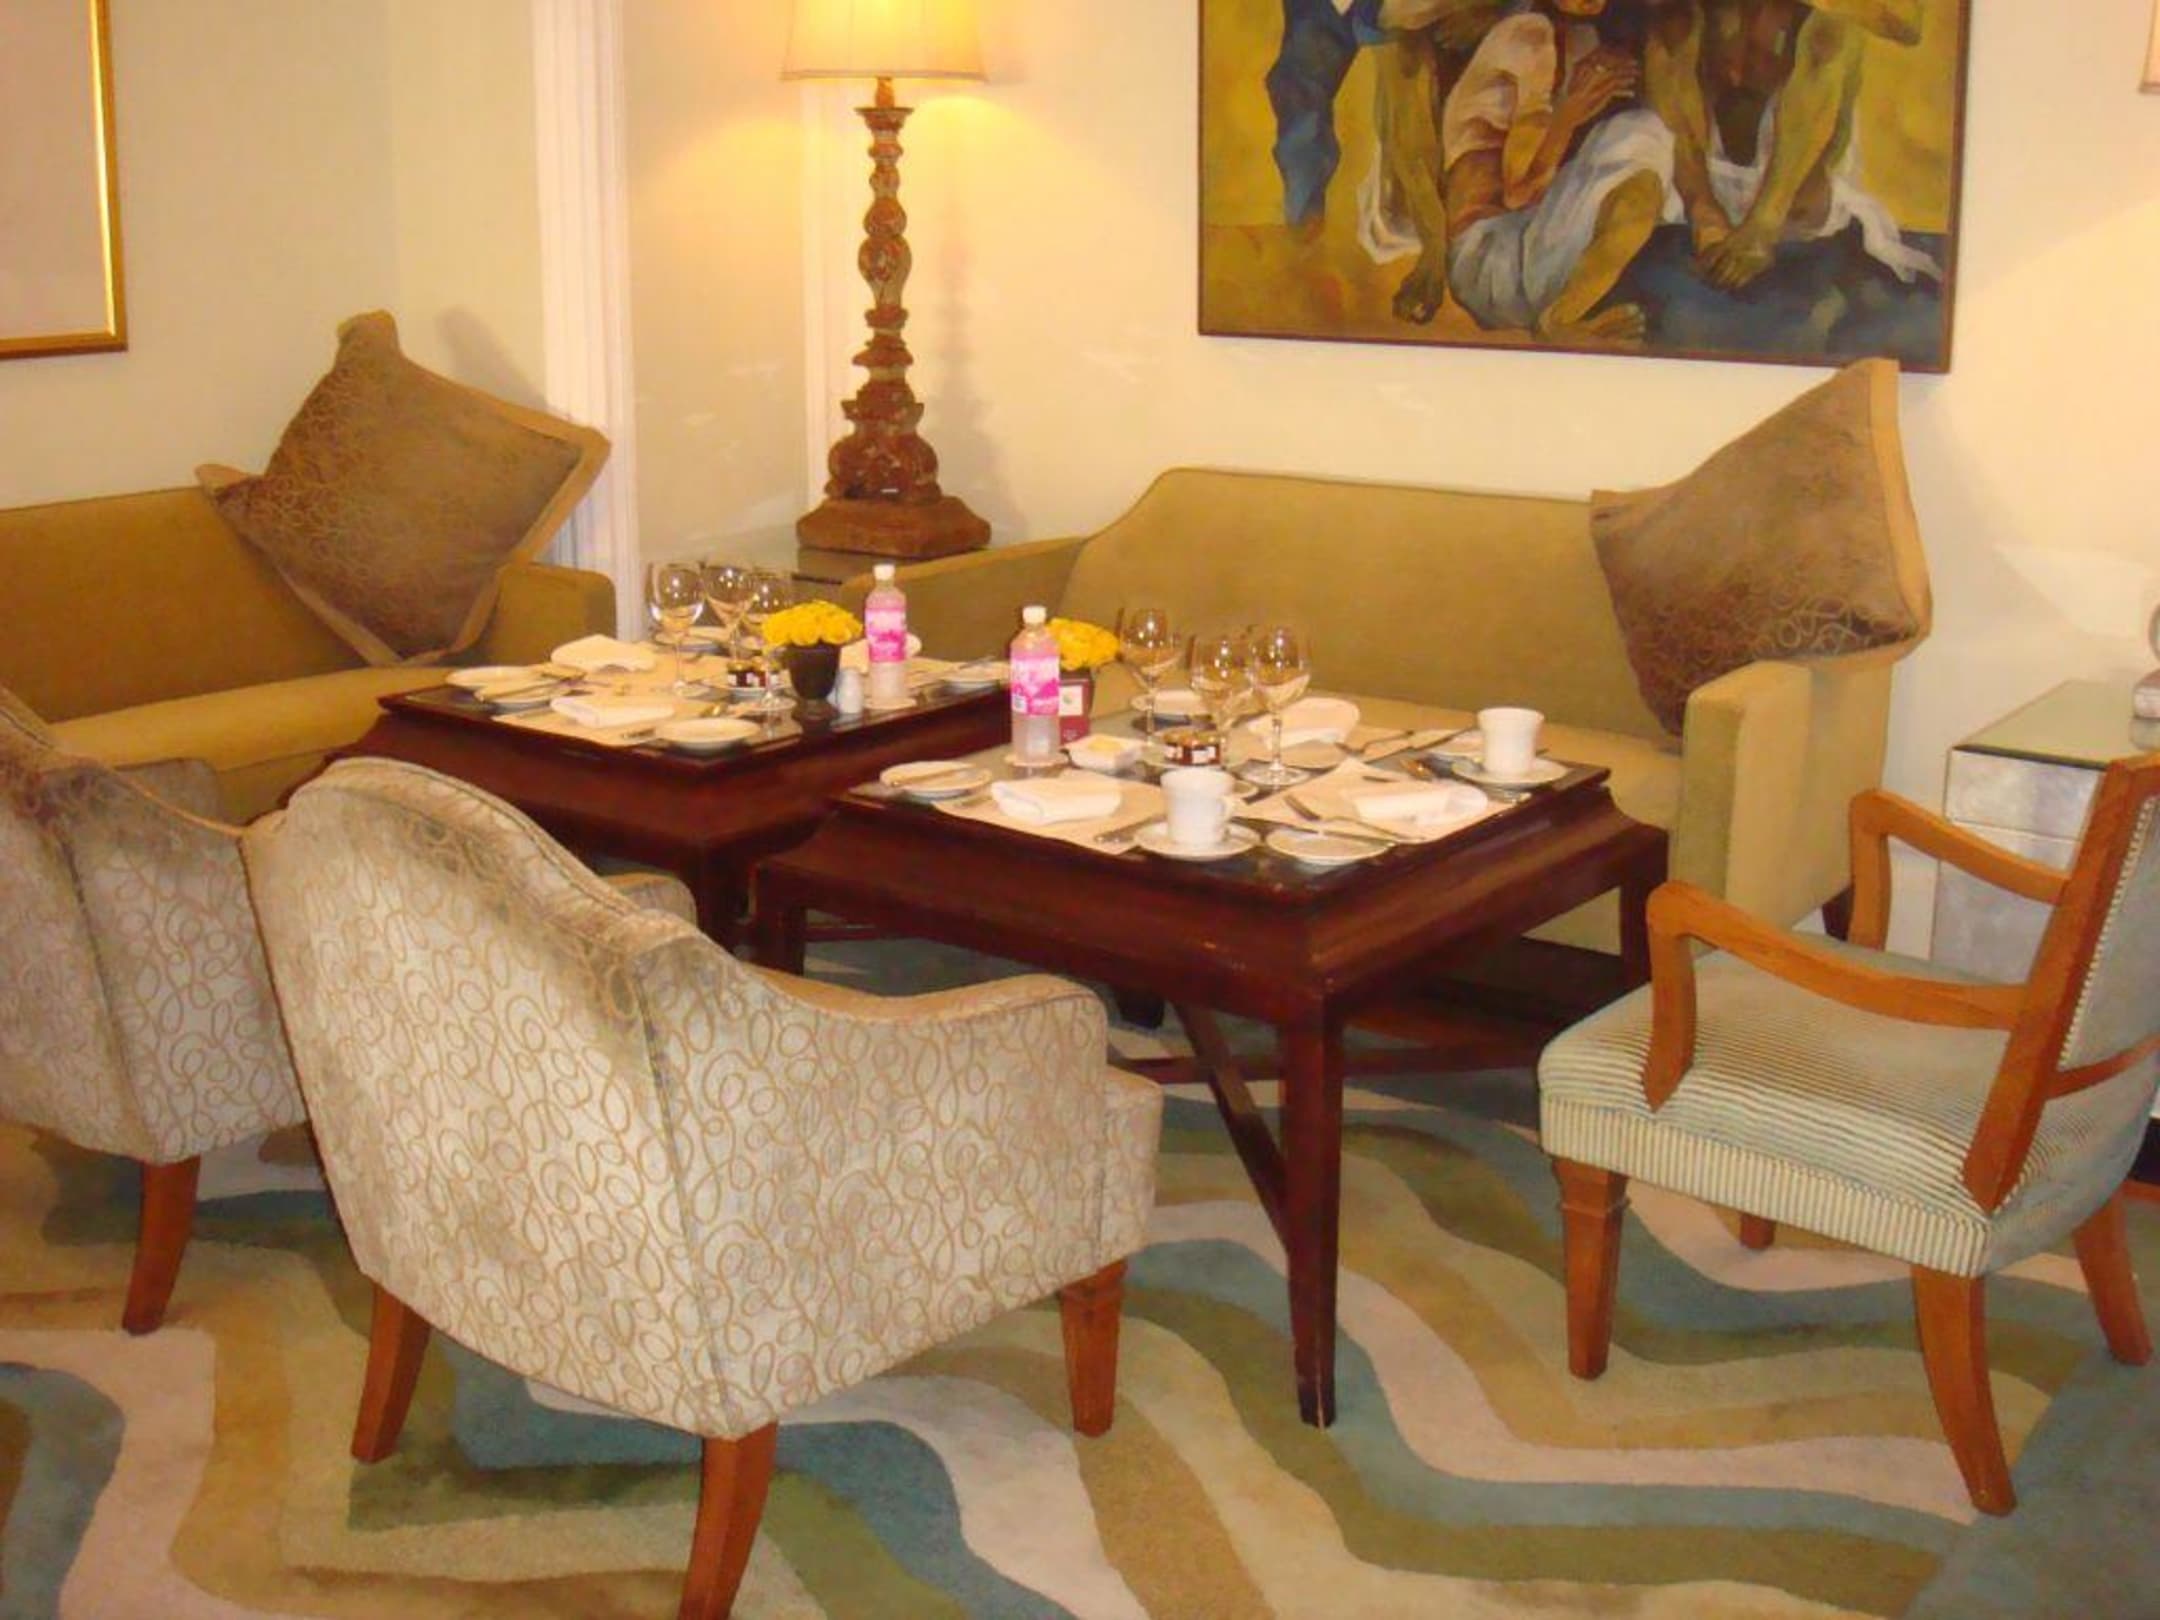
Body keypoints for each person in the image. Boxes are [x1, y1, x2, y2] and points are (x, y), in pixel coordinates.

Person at [1643, 0, 1935, 291]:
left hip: (1796, 192)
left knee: (1832, 30)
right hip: (1698, 170)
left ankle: (1763, 224)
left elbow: (1907, 23)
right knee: (1673, 20)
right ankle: (1705, 213)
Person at [1439, 0, 1675, 344]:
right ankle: (1560, 320)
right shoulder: (1527, 35)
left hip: (1519, 250)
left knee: (1643, 144)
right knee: (1640, 132)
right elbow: (1518, 192)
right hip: (1490, 260)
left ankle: (1569, 311)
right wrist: (1571, 111)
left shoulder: (1579, 38)